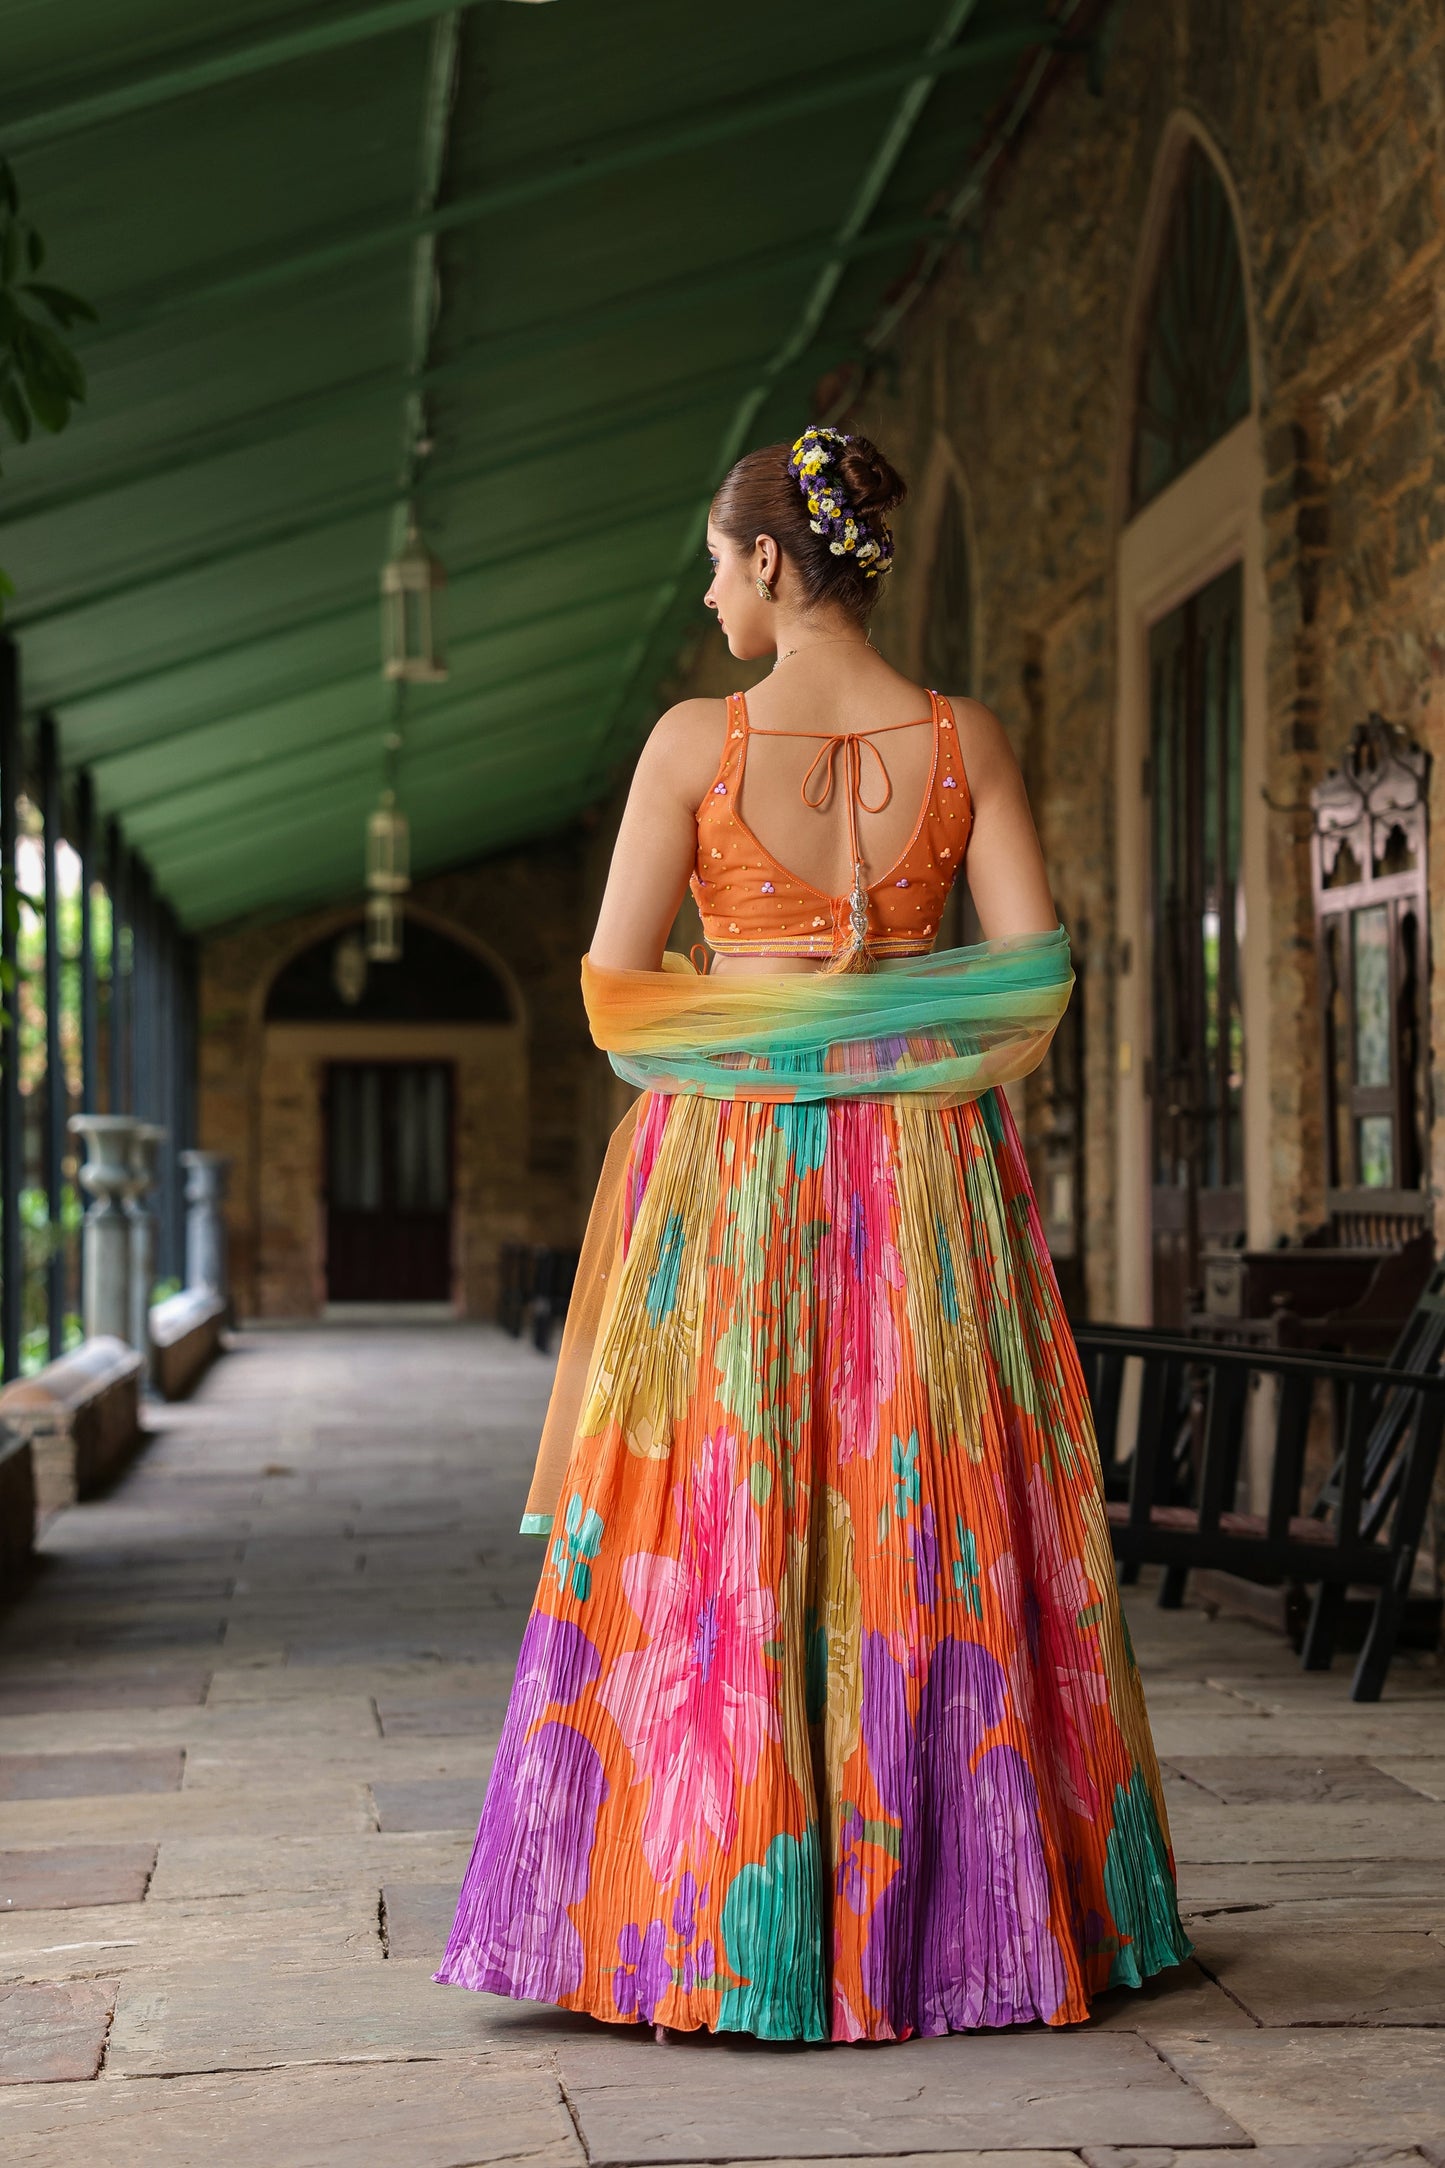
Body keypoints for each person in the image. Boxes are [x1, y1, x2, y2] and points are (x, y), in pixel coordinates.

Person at [435, 425, 1192, 2042]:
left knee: (721, 1515)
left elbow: (620, 999)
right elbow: (1032, 986)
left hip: (731, 1178)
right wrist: (886, 1022)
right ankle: (965, 1927)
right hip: (930, 1174)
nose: (710, 592)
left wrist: (768, 1031)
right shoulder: (962, 735)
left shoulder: (694, 746)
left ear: (772, 559)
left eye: (717, 562)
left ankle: (709, 1924)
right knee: (932, 1515)